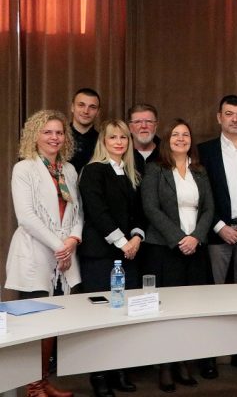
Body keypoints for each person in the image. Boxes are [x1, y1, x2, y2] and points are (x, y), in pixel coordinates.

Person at [6, 110, 81, 397]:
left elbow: (78, 212)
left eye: (59, 132)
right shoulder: (24, 169)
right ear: (34, 136)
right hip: (35, 254)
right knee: (35, 323)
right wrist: (60, 246)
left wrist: (73, 239)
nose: (54, 137)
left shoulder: (68, 170)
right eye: (47, 132)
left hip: (64, 256)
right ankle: (33, 387)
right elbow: (26, 216)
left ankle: (43, 381)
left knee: (53, 323)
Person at [141, 119, 214, 393]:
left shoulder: (200, 171)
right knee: (167, 310)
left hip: (196, 249)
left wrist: (196, 237)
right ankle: (165, 366)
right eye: (175, 134)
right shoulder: (155, 170)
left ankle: (184, 362)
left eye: (185, 135)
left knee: (190, 310)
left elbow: (209, 208)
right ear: (167, 139)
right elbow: (151, 208)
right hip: (164, 249)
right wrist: (179, 239)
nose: (181, 139)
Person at [79, 119, 145, 396]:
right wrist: (122, 242)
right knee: (100, 318)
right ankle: (99, 375)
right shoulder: (94, 170)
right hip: (101, 255)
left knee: (124, 315)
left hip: (129, 254)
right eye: (113, 137)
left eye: (123, 138)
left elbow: (138, 213)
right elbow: (97, 211)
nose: (119, 142)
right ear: (103, 142)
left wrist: (137, 237)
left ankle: (119, 370)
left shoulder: (130, 173)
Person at [197, 95, 237, 378]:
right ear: (219, 117)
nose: (235, 119)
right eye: (229, 113)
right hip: (217, 234)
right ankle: (208, 357)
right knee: (213, 297)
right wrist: (219, 226)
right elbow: (199, 194)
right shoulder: (204, 151)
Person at [69, 88, 101, 172]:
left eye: (92, 107)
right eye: (81, 105)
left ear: (98, 112)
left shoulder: (102, 141)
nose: (86, 111)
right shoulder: (58, 137)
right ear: (72, 107)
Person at [128, 103, 160, 176]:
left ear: (155, 126)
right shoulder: (121, 153)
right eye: (138, 122)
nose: (144, 126)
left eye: (149, 121)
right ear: (130, 127)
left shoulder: (167, 153)